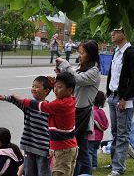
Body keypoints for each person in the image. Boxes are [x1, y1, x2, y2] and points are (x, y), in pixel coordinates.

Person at [12, 72, 78, 176]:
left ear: (69, 90)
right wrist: (55, 84)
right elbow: (60, 94)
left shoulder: (59, 105)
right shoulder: (69, 99)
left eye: (59, 87)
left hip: (63, 150)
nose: (55, 90)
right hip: (68, 147)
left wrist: (21, 100)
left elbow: (39, 106)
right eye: (55, 87)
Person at [56, 40, 101, 176]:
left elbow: (76, 80)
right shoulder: (80, 69)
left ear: (90, 54)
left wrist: (65, 65)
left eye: (82, 53)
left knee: (81, 150)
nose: (79, 55)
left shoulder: (94, 72)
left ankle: (86, 173)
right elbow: (71, 82)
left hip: (83, 114)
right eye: (79, 52)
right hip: (73, 112)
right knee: (73, 148)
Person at [0, 76, 53, 176]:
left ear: (46, 91)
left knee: (43, 173)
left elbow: (53, 130)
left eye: (37, 87)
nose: (33, 88)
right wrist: (5, 98)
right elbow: (17, 101)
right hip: (29, 146)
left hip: (43, 149)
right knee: (29, 172)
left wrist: (52, 147)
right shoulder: (29, 106)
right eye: (33, 86)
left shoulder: (49, 108)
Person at [106, 27, 134, 176]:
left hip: (124, 98)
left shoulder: (131, 53)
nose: (112, 34)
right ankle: (115, 162)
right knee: (115, 131)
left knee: (123, 133)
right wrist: (109, 93)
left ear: (124, 33)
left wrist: (124, 98)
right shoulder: (116, 51)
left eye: (116, 31)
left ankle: (118, 167)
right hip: (112, 96)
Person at [88, 90, 109, 171]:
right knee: (94, 151)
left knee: (89, 151)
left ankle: (89, 168)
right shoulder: (101, 112)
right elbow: (105, 124)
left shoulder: (91, 111)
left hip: (91, 136)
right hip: (99, 136)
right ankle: (94, 165)